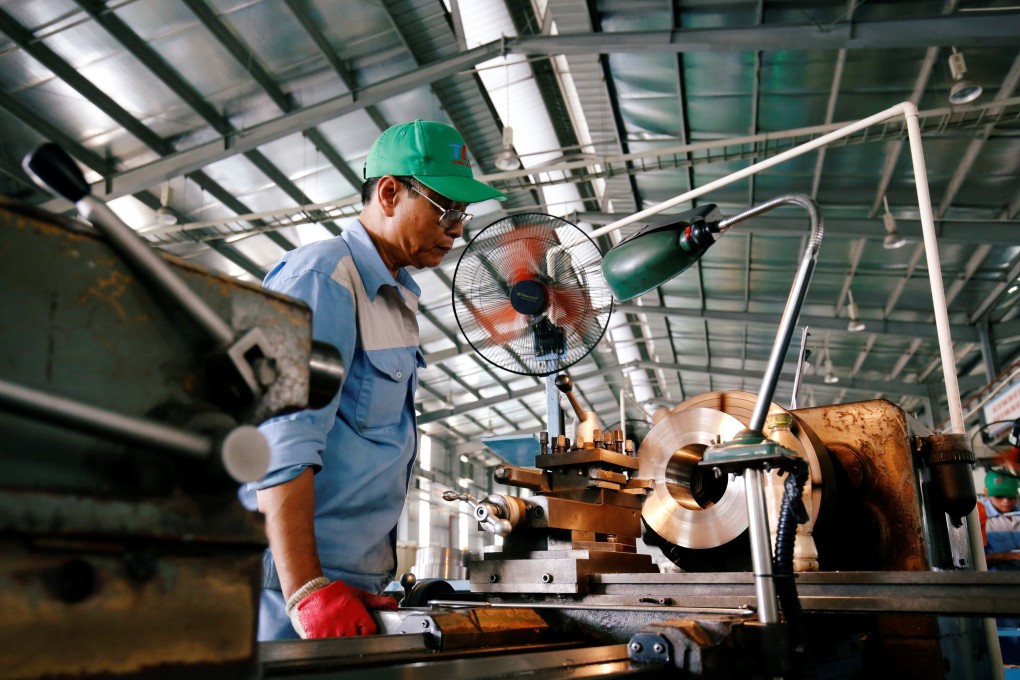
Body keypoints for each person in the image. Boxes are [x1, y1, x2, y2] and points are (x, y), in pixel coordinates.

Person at [241, 120, 506, 640]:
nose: (457, 229)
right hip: (290, 595)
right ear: (389, 192)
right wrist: (306, 591)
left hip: (350, 586)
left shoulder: (393, 296)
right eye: (447, 209)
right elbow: (281, 442)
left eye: (463, 215)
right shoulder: (323, 278)